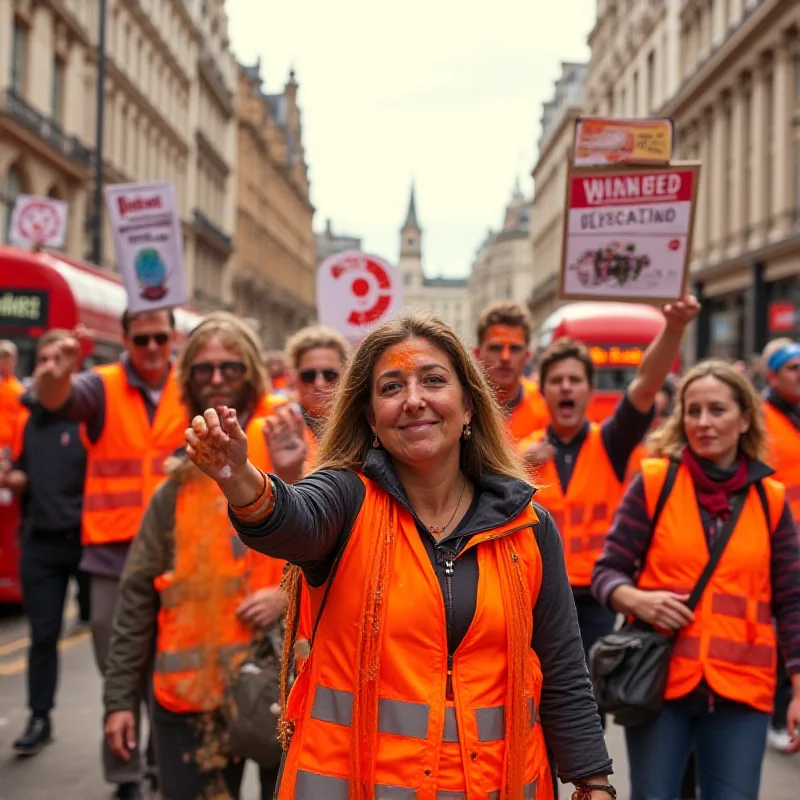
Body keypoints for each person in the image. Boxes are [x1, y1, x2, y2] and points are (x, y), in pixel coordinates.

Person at [185, 313, 616, 800]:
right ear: (371, 418)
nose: (414, 401)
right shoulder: (346, 501)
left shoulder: (530, 529)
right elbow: (290, 521)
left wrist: (593, 782)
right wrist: (239, 477)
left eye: (433, 380)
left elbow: (563, 671)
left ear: (470, 406)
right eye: (391, 388)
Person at [592, 360, 800, 800]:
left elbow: (793, 600)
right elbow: (607, 572)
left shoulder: (771, 500)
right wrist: (635, 599)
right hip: (660, 684)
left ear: (745, 419)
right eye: (693, 410)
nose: (703, 422)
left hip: (742, 691)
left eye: (718, 410)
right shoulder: (654, 483)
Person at [103, 312, 287, 800]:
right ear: (188, 382)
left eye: (231, 366)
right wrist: (119, 700)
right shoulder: (175, 488)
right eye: (204, 369)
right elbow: (137, 595)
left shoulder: (291, 457)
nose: (218, 378)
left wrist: (286, 594)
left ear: (252, 374)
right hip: (190, 700)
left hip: (281, 691)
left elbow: (347, 561)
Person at [33, 309, 190, 800]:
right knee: (119, 668)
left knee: (167, 669)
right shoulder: (100, 385)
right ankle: (124, 778)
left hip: (178, 552)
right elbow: (58, 398)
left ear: (173, 338)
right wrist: (52, 378)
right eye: (140, 338)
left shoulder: (192, 386)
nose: (150, 347)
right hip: (111, 554)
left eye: (159, 337)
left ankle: (158, 766)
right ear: (124, 339)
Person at [519, 297, 697, 666]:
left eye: (575, 380)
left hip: (594, 598)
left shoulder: (611, 443)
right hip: (536, 594)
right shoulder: (520, 454)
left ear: (588, 389)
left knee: (588, 699)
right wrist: (518, 467)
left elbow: (646, 386)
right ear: (544, 390)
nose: (566, 388)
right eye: (556, 381)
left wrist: (674, 328)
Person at [2, 331, 89, 755]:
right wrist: (10, 477)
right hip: (41, 542)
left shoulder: (89, 412)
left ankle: (124, 728)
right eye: (44, 358)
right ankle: (39, 716)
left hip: (92, 545)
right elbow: (18, 471)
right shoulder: (26, 416)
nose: (51, 365)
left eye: (61, 357)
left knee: (118, 641)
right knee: (43, 634)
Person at [760, 338, 800, 752]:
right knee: (778, 631)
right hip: (775, 540)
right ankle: (777, 713)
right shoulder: (763, 418)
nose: (799, 375)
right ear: (772, 376)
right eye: (792, 368)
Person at [473, 301, 548, 442]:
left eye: (514, 349)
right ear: (477, 354)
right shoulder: (462, 407)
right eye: (495, 348)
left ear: (527, 355)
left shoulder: (546, 406)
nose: (505, 357)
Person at [0, 339, 25, 454]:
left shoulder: (20, 391)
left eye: (7, 359)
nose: (3, 363)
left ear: (14, 361)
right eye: (1, 358)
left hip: (9, 450)